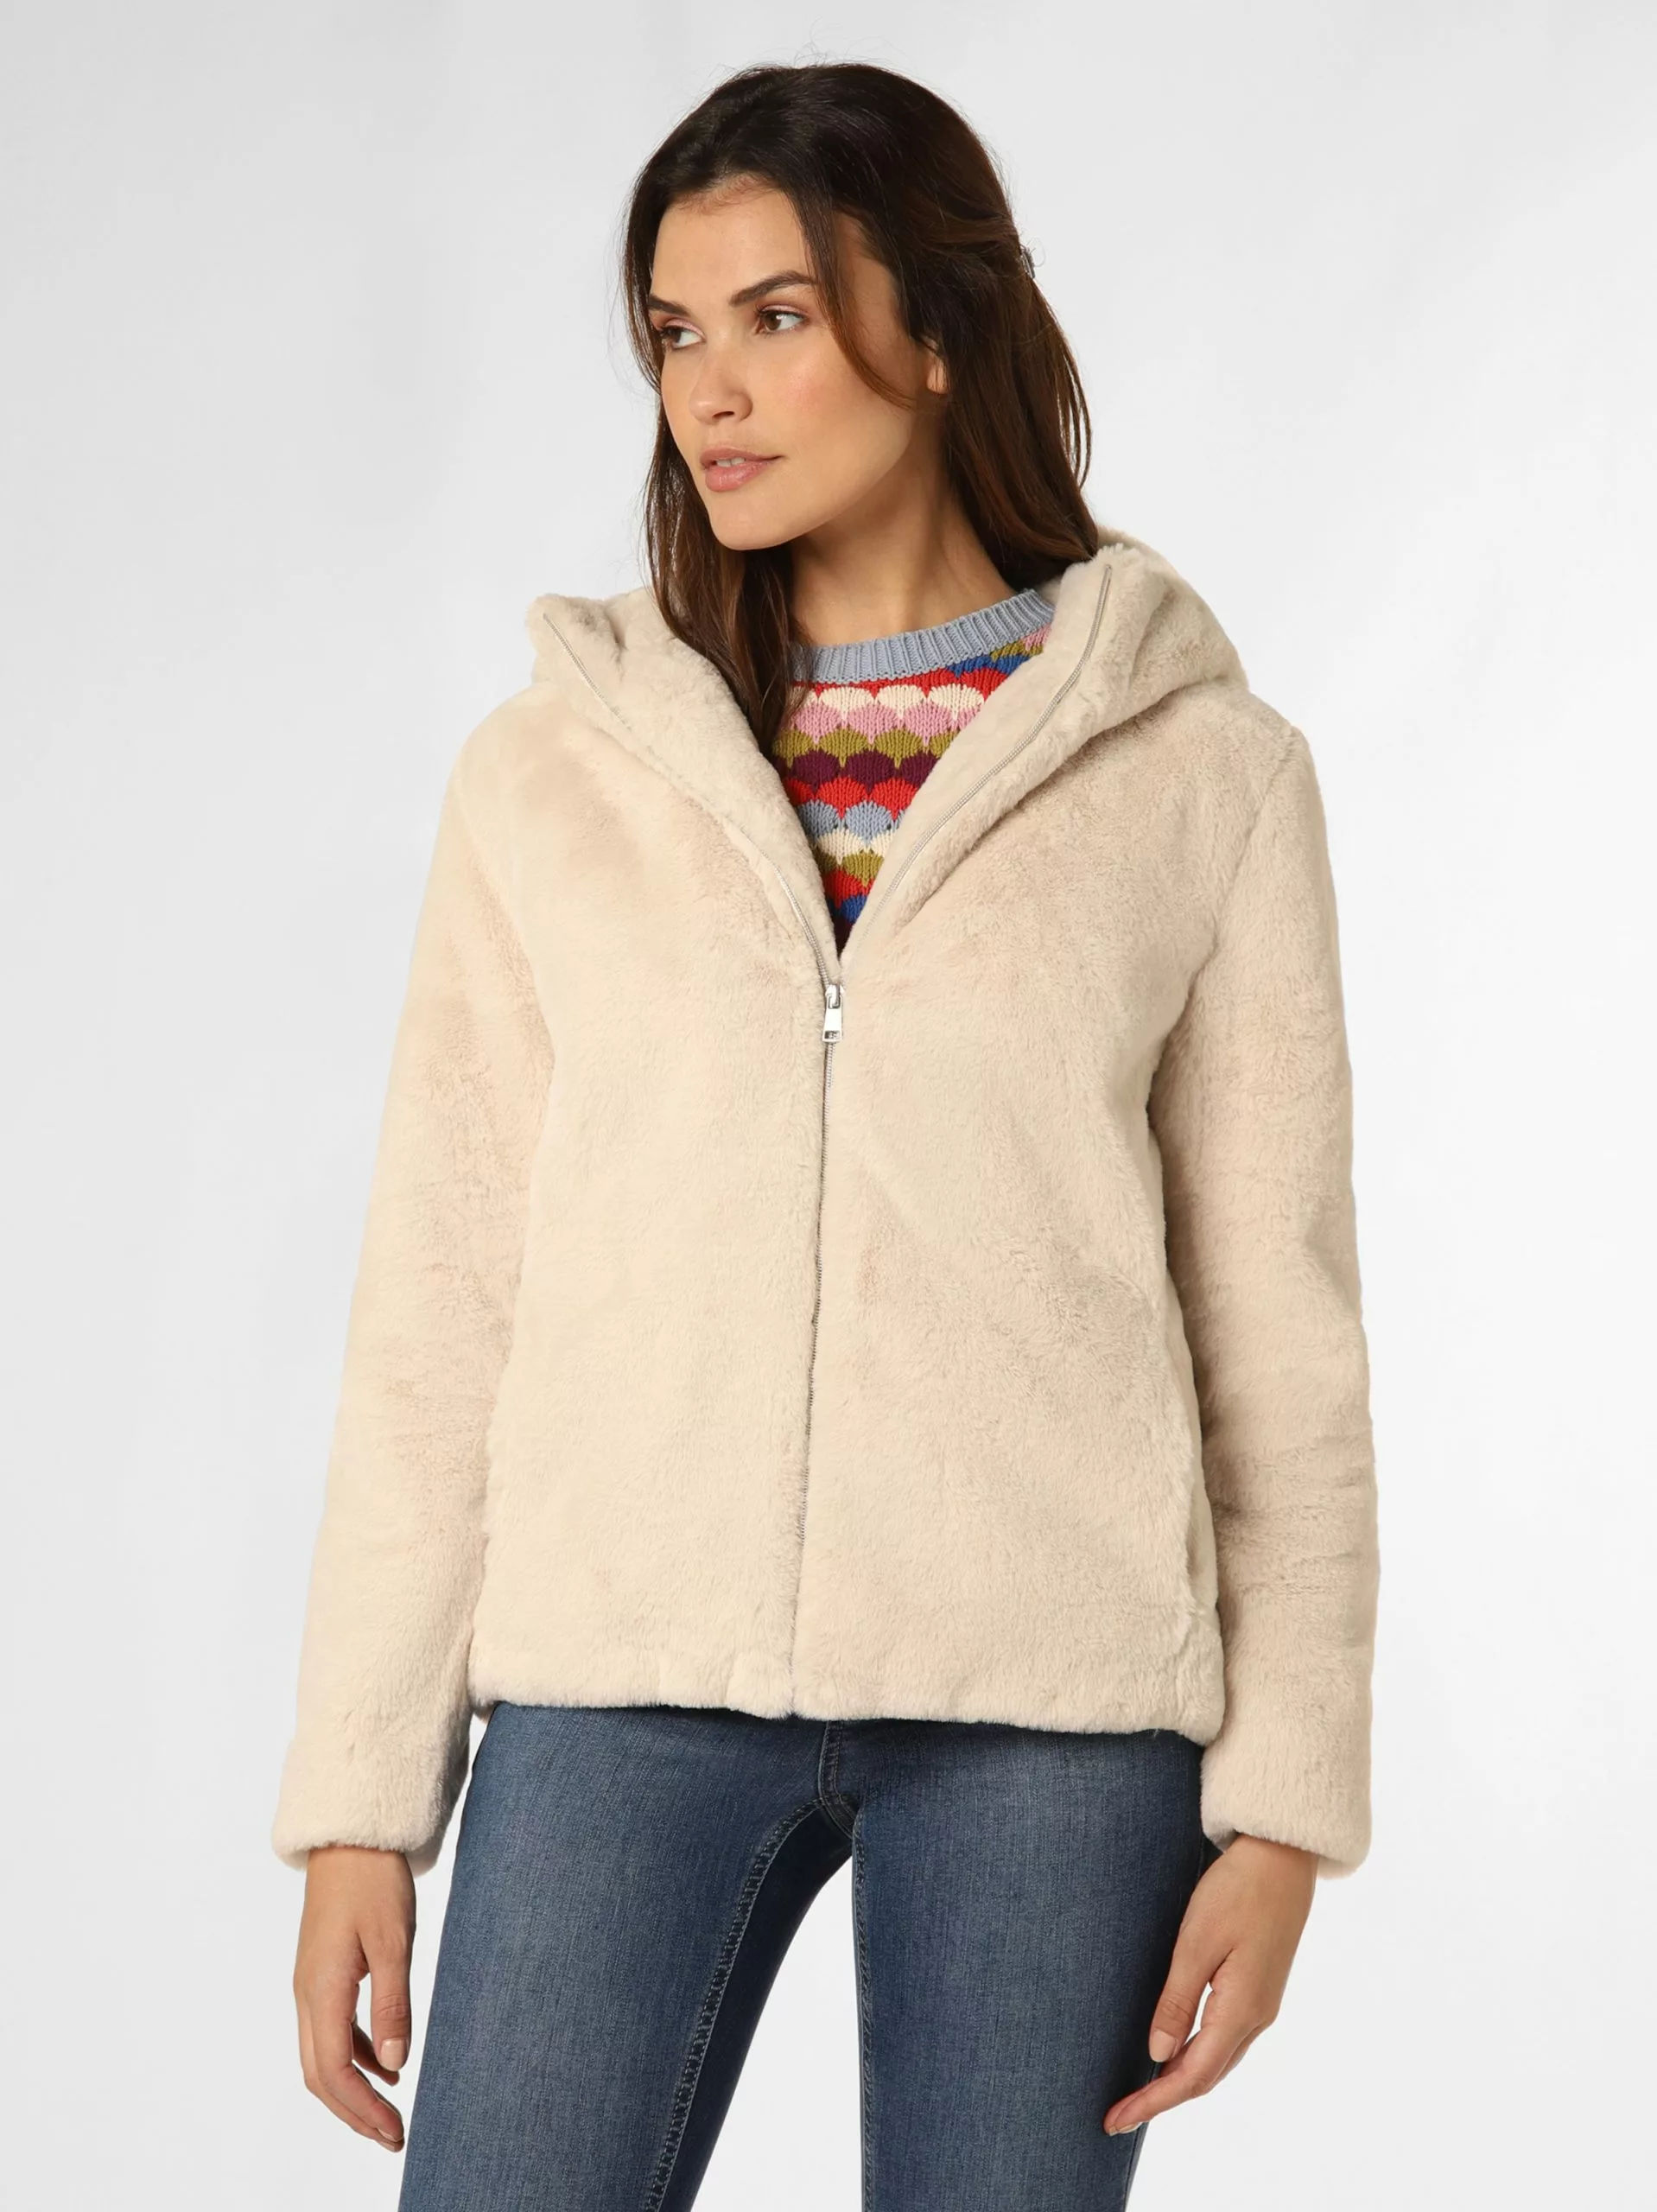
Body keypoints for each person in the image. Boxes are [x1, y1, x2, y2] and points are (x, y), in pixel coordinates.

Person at [273, 59, 1380, 2210]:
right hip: (618, 1669)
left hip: (1053, 1708)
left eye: (775, 316)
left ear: (937, 329)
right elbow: (440, 1299)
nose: (710, 387)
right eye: (674, 333)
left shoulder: (1202, 773)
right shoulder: (557, 773)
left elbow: (1276, 1318)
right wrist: (356, 1800)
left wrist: (1282, 1810)